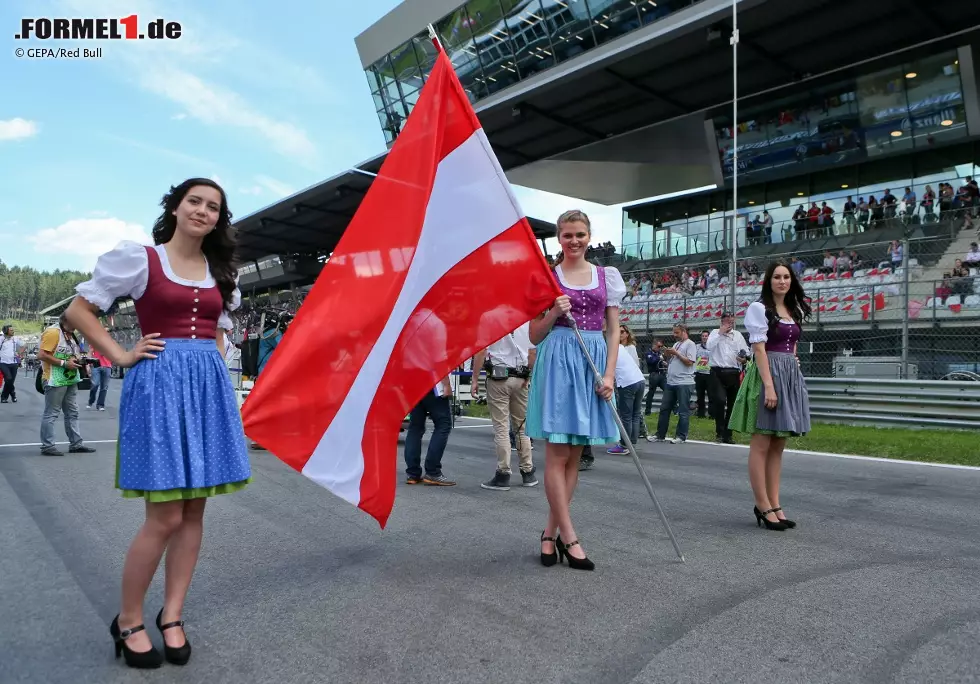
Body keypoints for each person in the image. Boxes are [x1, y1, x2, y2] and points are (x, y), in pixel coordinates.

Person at [66, 177, 250, 669]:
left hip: (205, 392)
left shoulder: (221, 273)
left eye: (214, 207)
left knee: (193, 512)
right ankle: (128, 618)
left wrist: (211, 371)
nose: (203, 211)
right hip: (159, 389)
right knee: (164, 515)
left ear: (218, 219)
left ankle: (172, 615)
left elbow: (220, 334)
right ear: (175, 207)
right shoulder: (141, 259)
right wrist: (123, 355)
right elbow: (78, 311)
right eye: (195, 201)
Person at [527, 209, 625, 571]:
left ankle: (549, 533)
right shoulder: (548, 279)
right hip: (557, 361)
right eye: (567, 235)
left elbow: (613, 330)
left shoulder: (606, 276)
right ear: (558, 238)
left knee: (574, 454)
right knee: (557, 453)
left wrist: (610, 374)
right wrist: (553, 312)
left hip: (592, 360)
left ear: (589, 236)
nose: (574, 241)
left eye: (580, 234)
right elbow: (534, 335)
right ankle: (570, 537)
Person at [729, 262, 812, 532]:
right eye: (777, 277)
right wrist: (770, 386)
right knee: (762, 442)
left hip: (788, 373)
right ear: (769, 280)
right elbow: (760, 350)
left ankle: (775, 504)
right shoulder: (759, 308)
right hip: (768, 374)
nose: (782, 281)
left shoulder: (792, 309)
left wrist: (793, 368)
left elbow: (793, 344)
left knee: (778, 444)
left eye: (786, 276)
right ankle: (762, 504)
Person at [472, 322, 538, 491]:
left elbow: (481, 350)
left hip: (498, 377)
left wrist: (474, 379)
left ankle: (503, 472)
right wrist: (529, 376)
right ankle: (527, 471)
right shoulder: (526, 321)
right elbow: (532, 352)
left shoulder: (492, 319)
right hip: (521, 377)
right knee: (522, 427)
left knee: (501, 427)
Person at [36, 314, 98, 456]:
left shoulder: (71, 334)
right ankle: (47, 446)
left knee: (72, 412)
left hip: (70, 378)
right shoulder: (53, 332)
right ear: (65, 321)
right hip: (54, 378)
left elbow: (70, 354)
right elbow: (42, 355)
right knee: (52, 412)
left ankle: (76, 444)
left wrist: (82, 361)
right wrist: (64, 363)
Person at [706, 312, 749, 443]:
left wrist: (743, 358)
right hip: (717, 372)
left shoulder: (738, 335)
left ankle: (727, 434)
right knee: (719, 401)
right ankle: (719, 431)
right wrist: (721, 333)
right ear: (722, 322)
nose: (729, 324)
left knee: (732, 404)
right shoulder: (714, 333)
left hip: (733, 372)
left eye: (731, 322)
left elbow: (746, 351)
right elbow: (709, 346)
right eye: (726, 322)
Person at [651, 324, 697, 444]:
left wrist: (676, 353)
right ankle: (660, 434)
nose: (674, 335)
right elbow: (672, 360)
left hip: (684, 382)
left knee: (683, 410)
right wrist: (668, 354)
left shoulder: (690, 344)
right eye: (674, 332)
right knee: (664, 409)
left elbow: (689, 362)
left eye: (677, 333)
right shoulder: (677, 344)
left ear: (684, 331)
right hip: (671, 381)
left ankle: (681, 436)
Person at [607, 325, 645, 455]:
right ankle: (632, 443)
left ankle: (624, 445)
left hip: (627, 383)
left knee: (626, 416)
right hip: (640, 380)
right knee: (635, 414)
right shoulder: (621, 347)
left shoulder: (610, 348)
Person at [87, 329, 113, 411]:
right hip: (96, 365)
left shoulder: (111, 343)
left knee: (104, 387)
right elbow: (90, 352)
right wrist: (87, 364)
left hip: (107, 366)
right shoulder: (94, 341)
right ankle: (91, 401)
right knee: (95, 384)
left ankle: (100, 405)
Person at [1, 323, 25, 403]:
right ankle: (13, 394)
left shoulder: (15, 339)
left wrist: (20, 354)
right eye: (11, 330)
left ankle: (4, 398)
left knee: (10, 381)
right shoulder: (1, 339)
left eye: (12, 330)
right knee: (8, 378)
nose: (13, 331)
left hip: (14, 363)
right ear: (6, 331)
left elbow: (24, 345)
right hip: (3, 362)